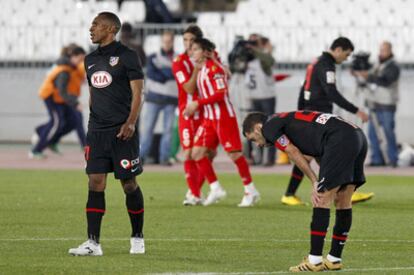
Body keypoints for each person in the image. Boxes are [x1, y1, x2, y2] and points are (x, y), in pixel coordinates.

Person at [243, 111, 367, 272]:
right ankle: (334, 259)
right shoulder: (286, 120)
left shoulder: (269, 128)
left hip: (339, 139)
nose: (258, 144)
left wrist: (315, 181)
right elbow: (318, 148)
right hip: (356, 135)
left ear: (258, 128)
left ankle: (314, 260)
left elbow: (292, 152)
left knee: (321, 198)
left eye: (253, 139)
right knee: (343, 201)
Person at [68, 12, 145, 256]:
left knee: (129, 184)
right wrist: (92, 128)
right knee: (95, 182)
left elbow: (138, 94)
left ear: (110, 29)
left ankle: (137, 237)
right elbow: (93, 94)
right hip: (97, 132)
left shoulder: (127, 56)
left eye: (96, 25)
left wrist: (131, 122)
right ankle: (93, 243)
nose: (91, 29)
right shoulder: (89, 60)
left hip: (123, 131)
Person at [282, 37, 373, 206]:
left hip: (310, 112)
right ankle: (290, 194)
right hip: (319, 115)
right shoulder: (326, 64)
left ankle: (344, 191)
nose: (345, 59)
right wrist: (356, 110)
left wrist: (300, 112)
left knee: (321, 156)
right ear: (338, 49)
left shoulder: (315, 62)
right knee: (312, 155)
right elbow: (331, 92)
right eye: (346, 55)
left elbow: (304, 89)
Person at [184, 38, 260, 207]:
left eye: (195, 49)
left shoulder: (214, 69)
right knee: (196, 153)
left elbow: (221, 93)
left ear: (204, 52)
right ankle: (215, 188)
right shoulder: (203, 68)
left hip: (223, 118)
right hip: (209, 119)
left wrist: (197, 103)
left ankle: (250, 190)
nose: (192, 52)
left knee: (234, 154)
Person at [30, 45, 86, 158]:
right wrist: (75, 103)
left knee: (74, 121)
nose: (81, 62)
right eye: (80, 59)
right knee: (56, 122)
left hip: (61, 98)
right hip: (51, 97)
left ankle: (43, 134)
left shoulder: (72, 67)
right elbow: (62, 91)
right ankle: (36, 150)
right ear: (73, 57)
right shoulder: (64, 71)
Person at [172, 25, 207, 205]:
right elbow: (188, 88)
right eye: (185, 40)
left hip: (207, 112)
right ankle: (194, 193)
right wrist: (196, 68)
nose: (187, 44)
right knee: (188, 154)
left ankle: (195, 191)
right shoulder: (179, 61)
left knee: (207, 154)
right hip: (188, 113)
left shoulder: (209, 59)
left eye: (191, 40)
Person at [354, 41, 400, 167]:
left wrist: (367, 76)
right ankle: (377, 159)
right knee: (372, 134)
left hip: (387, 104)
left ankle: (393, 159)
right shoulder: (377, 65)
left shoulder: (393, 66)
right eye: (380, 50)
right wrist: (360, 76)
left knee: (388, 132)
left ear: (390, 51)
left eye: (384, 50)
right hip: (374, 103)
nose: (381, 53)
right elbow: (369, 81)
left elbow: (386, 81)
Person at [140, 31, 178, 165]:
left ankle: (164, 158)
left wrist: (163, 72)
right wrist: (169, 73)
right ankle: (141, 156)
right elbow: (152, 74)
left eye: (169, 41)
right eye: (165, 41)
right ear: (161, 42)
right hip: (154, 98)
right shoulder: (152, 57)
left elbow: (177, 74)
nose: (167, 44)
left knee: (168, 130)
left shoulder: (178, 58)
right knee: (147, 128)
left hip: (172, 98)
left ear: (173, 42)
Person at [244, 35, 277, 166]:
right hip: (254, 97)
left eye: (254, 42)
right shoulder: (248, 58)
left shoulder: (263, 57)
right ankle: (255, 157)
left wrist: (256, 49)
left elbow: (269, 61)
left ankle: (269, 158)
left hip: (266, 97)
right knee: (253, 129)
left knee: (269, 128)